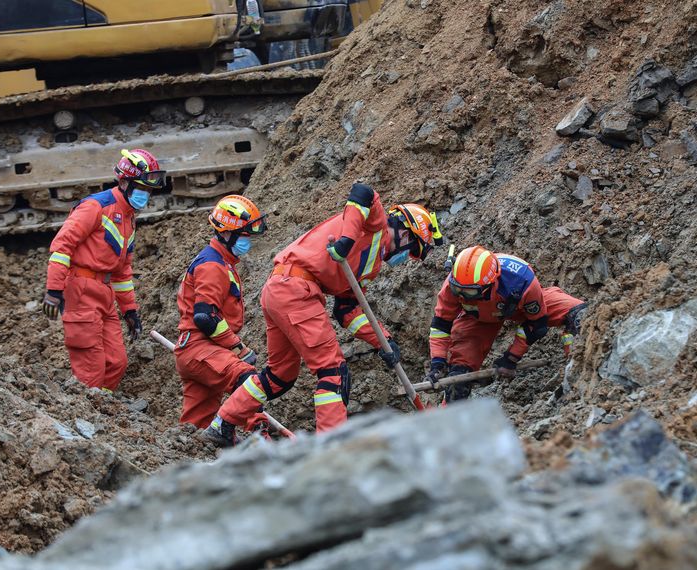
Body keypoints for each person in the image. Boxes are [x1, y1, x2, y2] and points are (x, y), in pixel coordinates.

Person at [203, 182, 442, 446]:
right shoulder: (375, 226)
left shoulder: (370, 266)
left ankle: (222, 424)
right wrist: (346, 241)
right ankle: (330, 451)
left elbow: (347, 310)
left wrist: (383, 341)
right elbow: (363, 192)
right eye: (412, 250)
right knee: (333, 372)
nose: (407, 258)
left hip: (279, 290)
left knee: (279, 376)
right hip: (296, 290)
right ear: (406, 235)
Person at [41, 149, 163, 391]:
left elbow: (122, 271)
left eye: (149, 190)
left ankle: (102, 412)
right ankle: (87, 417)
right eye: (142, 187)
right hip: (81, 290)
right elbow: (61, 247)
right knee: (91, 366)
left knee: (116, 362)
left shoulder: (128, 216)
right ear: (125, 181)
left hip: (104, 292)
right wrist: (54, 290)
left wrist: (130, 310)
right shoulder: (95, 206)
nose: (145, 194)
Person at [174, 195, 267, 428]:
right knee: (248, 381)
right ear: (226, 233)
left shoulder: (221, 261)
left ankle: (192, 456)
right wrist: (238, 348)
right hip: (201, 348)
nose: (248, 241)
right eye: (244, 235)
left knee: (197, 425)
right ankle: (261, 440)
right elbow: (206, 317)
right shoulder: (213, 265)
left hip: (198, 350)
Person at [424, 246, 550, 402]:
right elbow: (441, 325)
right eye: (459, 290)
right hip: (478, 317)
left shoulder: (523, 281)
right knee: (459, 373)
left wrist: (512, 357)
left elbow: (535, 325)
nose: (463, 295)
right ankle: (453, 406)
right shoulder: (455, 283)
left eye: (469, 292)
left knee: (569, 311)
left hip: (519, 306)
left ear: (490, 283)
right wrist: (438, 362)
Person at [542, 286, 587, 357]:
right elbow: (558, 290)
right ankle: (570, 359)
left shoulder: (534, 300)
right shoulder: (551, 290)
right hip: (583, 306)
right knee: (568, 336)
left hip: (573, 313)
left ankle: (571, 359)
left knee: (571, 342)